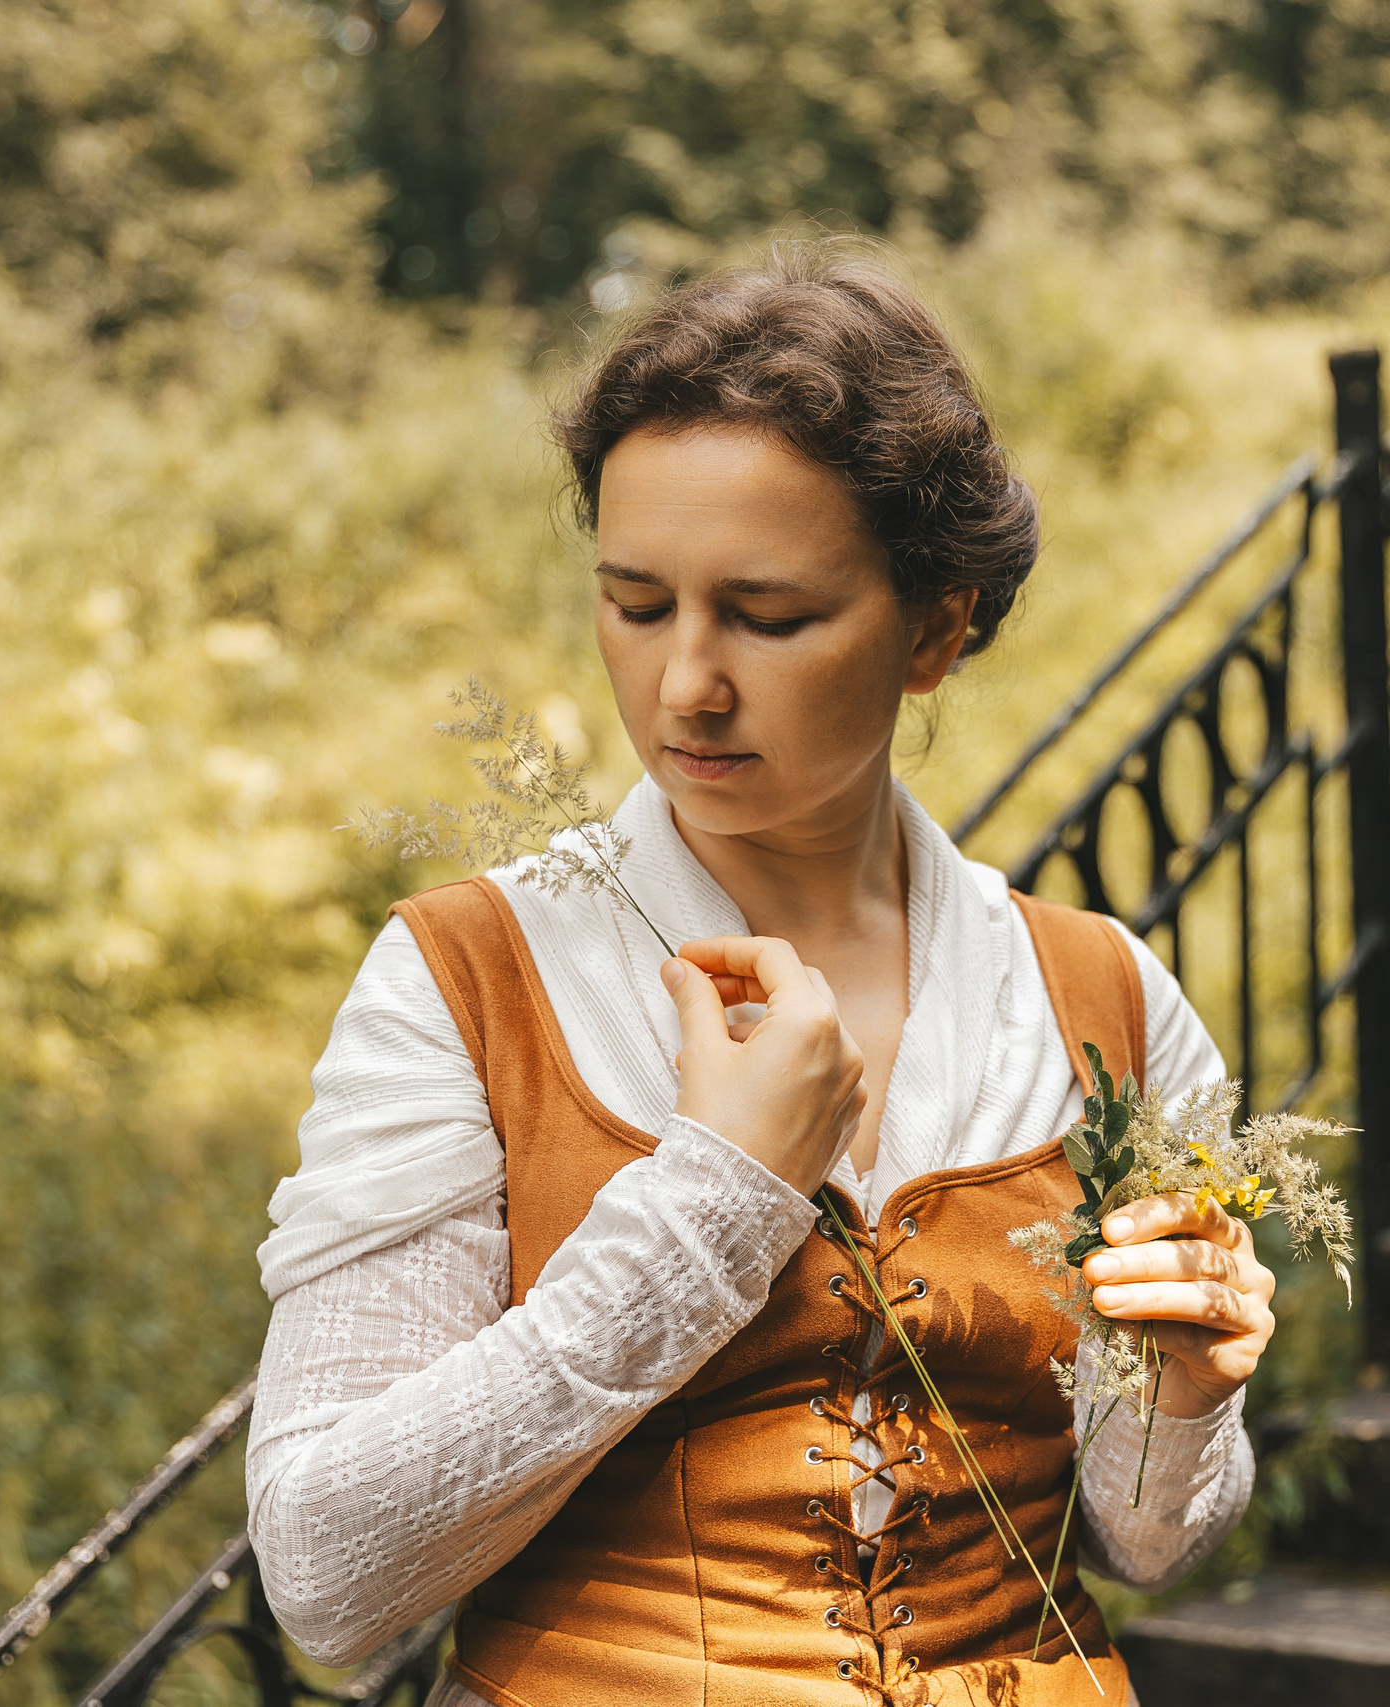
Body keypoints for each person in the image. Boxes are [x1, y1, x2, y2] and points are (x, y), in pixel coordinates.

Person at [246, 242, 1277, 1707]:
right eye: (637, 603)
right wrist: (718, 1190)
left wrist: (1188, 1392)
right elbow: (325, 1573)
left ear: (937, 626)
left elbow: (1143, 1539)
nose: (686, 687)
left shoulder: (1098, 998)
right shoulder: (467, 980)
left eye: (770, 615)